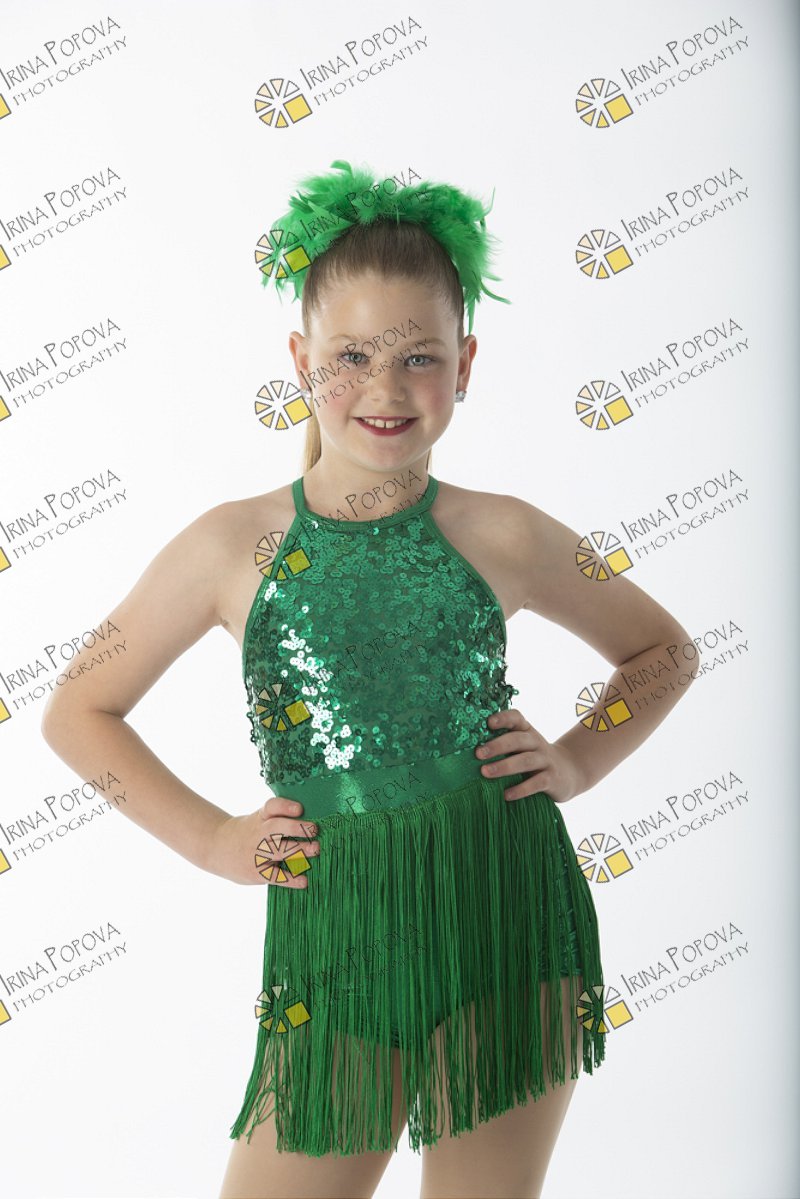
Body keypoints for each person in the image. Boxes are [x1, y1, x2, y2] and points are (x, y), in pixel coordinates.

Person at [41, 160, 696, 1199]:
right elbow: (79, 708)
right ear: (300, 360)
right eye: (351, 356)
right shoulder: (232, 546)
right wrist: (213, 838)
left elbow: (662, 652)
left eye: (418, 356)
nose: (385, 390)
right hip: (336, 941)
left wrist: (574, 759)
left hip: (508, 918)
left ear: (465, 363)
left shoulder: (505, 532)